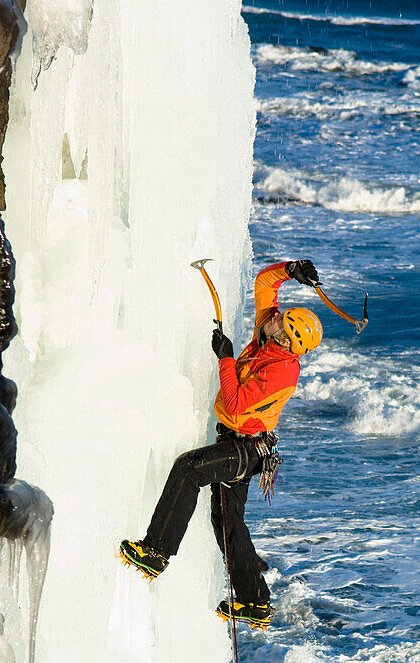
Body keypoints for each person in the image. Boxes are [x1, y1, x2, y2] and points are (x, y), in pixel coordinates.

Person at [119, 259, 323, 629]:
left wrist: (225, 358)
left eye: (281, 319)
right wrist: (292, 270)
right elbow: (265, 284)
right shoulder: (269, 338)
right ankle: (254, 601)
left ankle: (156, 551)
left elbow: (236, 404)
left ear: (285, 337)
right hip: (243, 444)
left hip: (245, 450)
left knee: (189, 468)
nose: (273, 316)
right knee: (227, 522)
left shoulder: (281, 370)